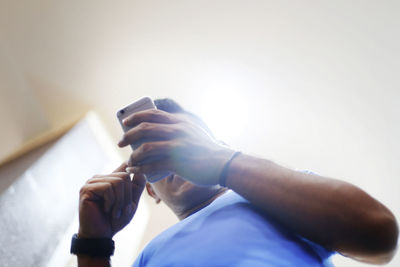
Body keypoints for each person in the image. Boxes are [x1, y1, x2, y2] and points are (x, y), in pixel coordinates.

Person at [72, 98, 398, 267]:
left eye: (180, 141)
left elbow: (377, 231)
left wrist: (223, 161)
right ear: (150, 189)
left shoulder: (277, 195)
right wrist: (93, 246)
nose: (170, 152)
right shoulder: (146, 256)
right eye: (155, 152)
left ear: (212, 145)